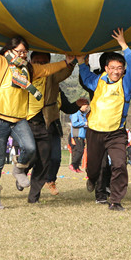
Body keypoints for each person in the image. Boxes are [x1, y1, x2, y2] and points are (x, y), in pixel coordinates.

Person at [0, 10, 71, 210]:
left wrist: (67, 62)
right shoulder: (0, 63)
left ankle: (19, 169)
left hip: (19, 119)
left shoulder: (28, 69)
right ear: (8, 51)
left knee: (30, 149)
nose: (22, 55)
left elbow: (47, 69)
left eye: (24, 52)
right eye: (19, 51)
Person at [79, 28, 131, 211]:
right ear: (106, 68)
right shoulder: (97, 81)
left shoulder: (126, 83)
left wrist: (123, 44)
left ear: (123, 70)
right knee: (94, 167)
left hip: (116, 133)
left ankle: (115, 201)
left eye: (119, 68)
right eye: (112, 68)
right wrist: (81, 61)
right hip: (95, 131)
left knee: (120, 164)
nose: (116, 71)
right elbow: (85, 75)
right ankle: (92, 178)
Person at [22, 51, 81, 203]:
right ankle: (21, 173)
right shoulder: (22, 78)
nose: (40, 64)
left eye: (44, 62)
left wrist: (72, 62)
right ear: (30, 61)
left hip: (48, 125)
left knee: (47, 160)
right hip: (26, 125)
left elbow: (64, 73)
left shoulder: (52, 79)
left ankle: (35, 195)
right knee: (31, 155)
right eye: (36, 61)